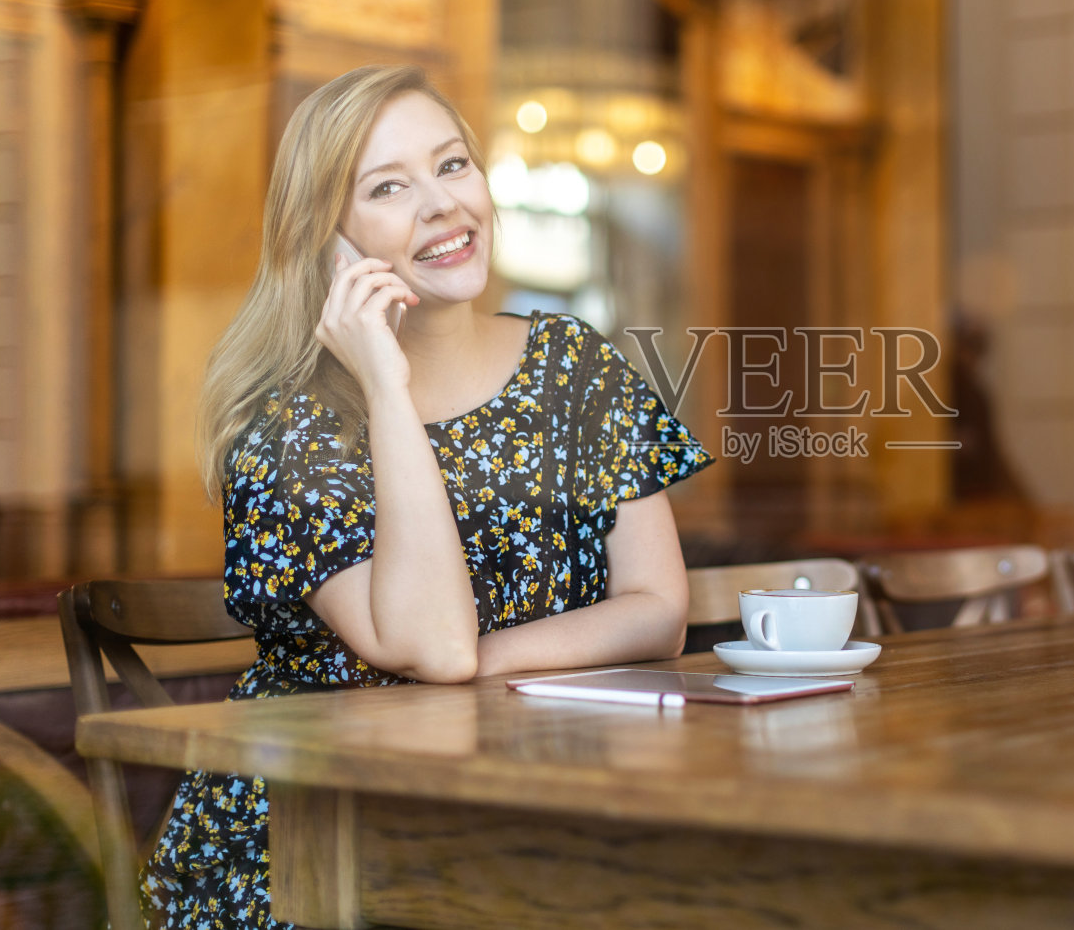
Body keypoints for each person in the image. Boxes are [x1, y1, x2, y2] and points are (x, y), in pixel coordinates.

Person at [141, 65, 712, 928]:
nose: (443, 204)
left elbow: (658, 609)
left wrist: (488, 662)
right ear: (328, 240)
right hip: (315, 845)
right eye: (388, 187)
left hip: (527, 808)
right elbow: (434, 646)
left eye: (452, 165)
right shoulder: (289, 431)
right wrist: (384, 384)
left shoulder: (574, 363)